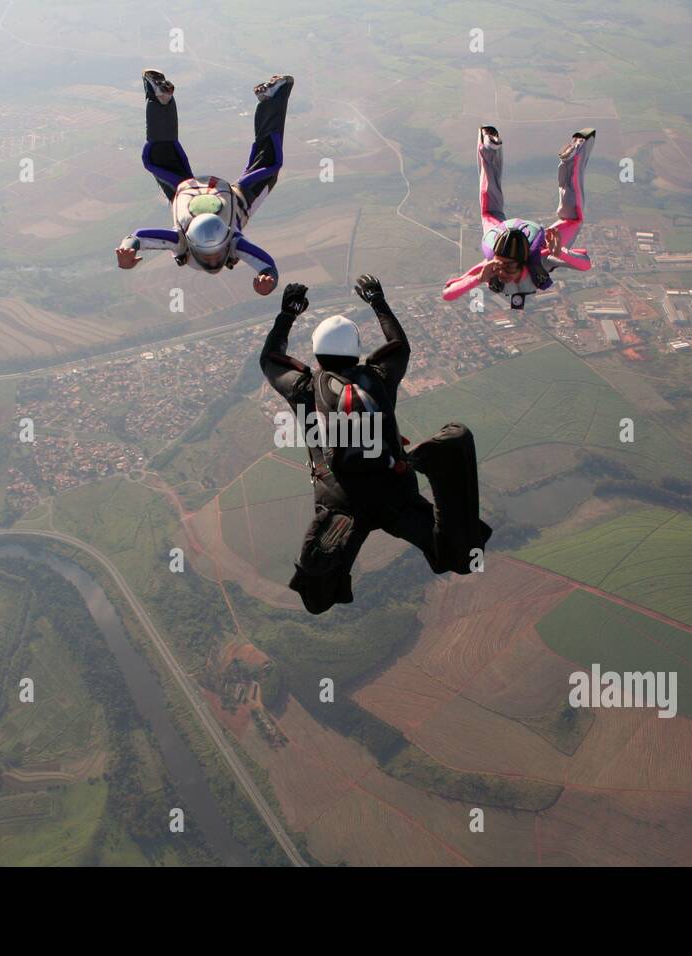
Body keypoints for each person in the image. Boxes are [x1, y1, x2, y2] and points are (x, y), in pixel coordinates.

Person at [260, 275, 493, 614]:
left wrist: (288, 314)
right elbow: (399, 345)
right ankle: (439, 459)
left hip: (341, 498)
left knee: (316, 596)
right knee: (459, 556)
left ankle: (327, 552)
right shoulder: (378, 377)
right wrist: (377, 301)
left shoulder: (305, 388)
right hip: (394, 487)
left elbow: (270, 359)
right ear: (356, 350)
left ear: (316, 353)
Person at [117, 70, 293, 296]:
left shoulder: (181, 240)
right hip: (223, 195)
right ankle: (159, 98)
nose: (212, 261)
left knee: (268, 164)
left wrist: (127, 250)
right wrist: (269, 280)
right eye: (215, 255)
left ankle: (160, 98)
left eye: (212, 255)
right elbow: (266, 265)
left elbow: (137, 237)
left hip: (190, 190)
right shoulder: (233, 243)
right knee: (269, 164)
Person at [443, 126, 596, 309]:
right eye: (502, 266)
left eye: (506, 268)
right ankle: (573, 157)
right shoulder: (527, 261)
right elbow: (585, 265)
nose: (502, 273)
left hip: (504, 234)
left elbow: (449, 294)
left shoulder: (498, 265)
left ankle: (490, 149)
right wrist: (559, 252)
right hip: (514, 236)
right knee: (572, 219)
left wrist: (478, 278)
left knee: (490, 210)